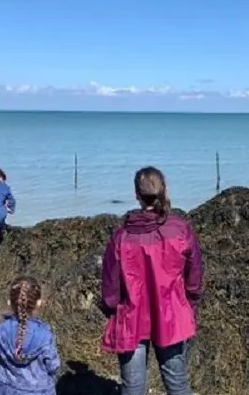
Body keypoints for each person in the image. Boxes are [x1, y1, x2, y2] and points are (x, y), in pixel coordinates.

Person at [99, 166, 204, 395]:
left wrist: (110, 307)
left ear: (136, 195)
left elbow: (110, 286)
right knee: (177, 382)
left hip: (132, 316)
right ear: (164, 190)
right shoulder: (180, 230)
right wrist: (190, 300)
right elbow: (194, 276)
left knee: (133, 388)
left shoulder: (121, 237)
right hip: (171, 314)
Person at [0, 276, 61, 395]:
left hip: (4, 388)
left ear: (9, 302)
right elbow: (53, 365)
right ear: (38, 303)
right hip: (38, 390)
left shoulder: (2, 330)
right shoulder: (44, 335)